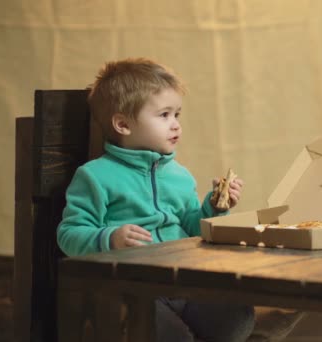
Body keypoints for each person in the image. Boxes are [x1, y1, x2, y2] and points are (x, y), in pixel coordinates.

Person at [57, 57, 255, 342]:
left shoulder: (179, 176)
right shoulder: (95, 176)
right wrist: (109, 238)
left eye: (177, 115)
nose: (175, 125)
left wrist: (213, 207)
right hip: (137, 289)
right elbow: (69, 234)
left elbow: (192, 227)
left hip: (187, 281)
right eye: (164, 115)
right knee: (158, 329)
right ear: (123, 124)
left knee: (238, 316)